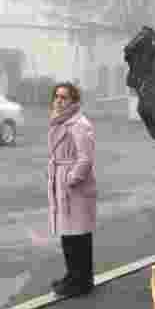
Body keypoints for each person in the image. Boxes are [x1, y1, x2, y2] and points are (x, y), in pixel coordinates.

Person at [48, 81, 97, 297]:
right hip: (62, 181)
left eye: (64, 97)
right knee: (68, 233)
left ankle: (81, 281)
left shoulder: (79, 124)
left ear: (73, 101)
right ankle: (72, 275)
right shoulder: (61, 122)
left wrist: (71, 178)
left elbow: (85, 159)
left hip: (74, 186)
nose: (59, 100)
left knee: (79, 235)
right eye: (57, 96)